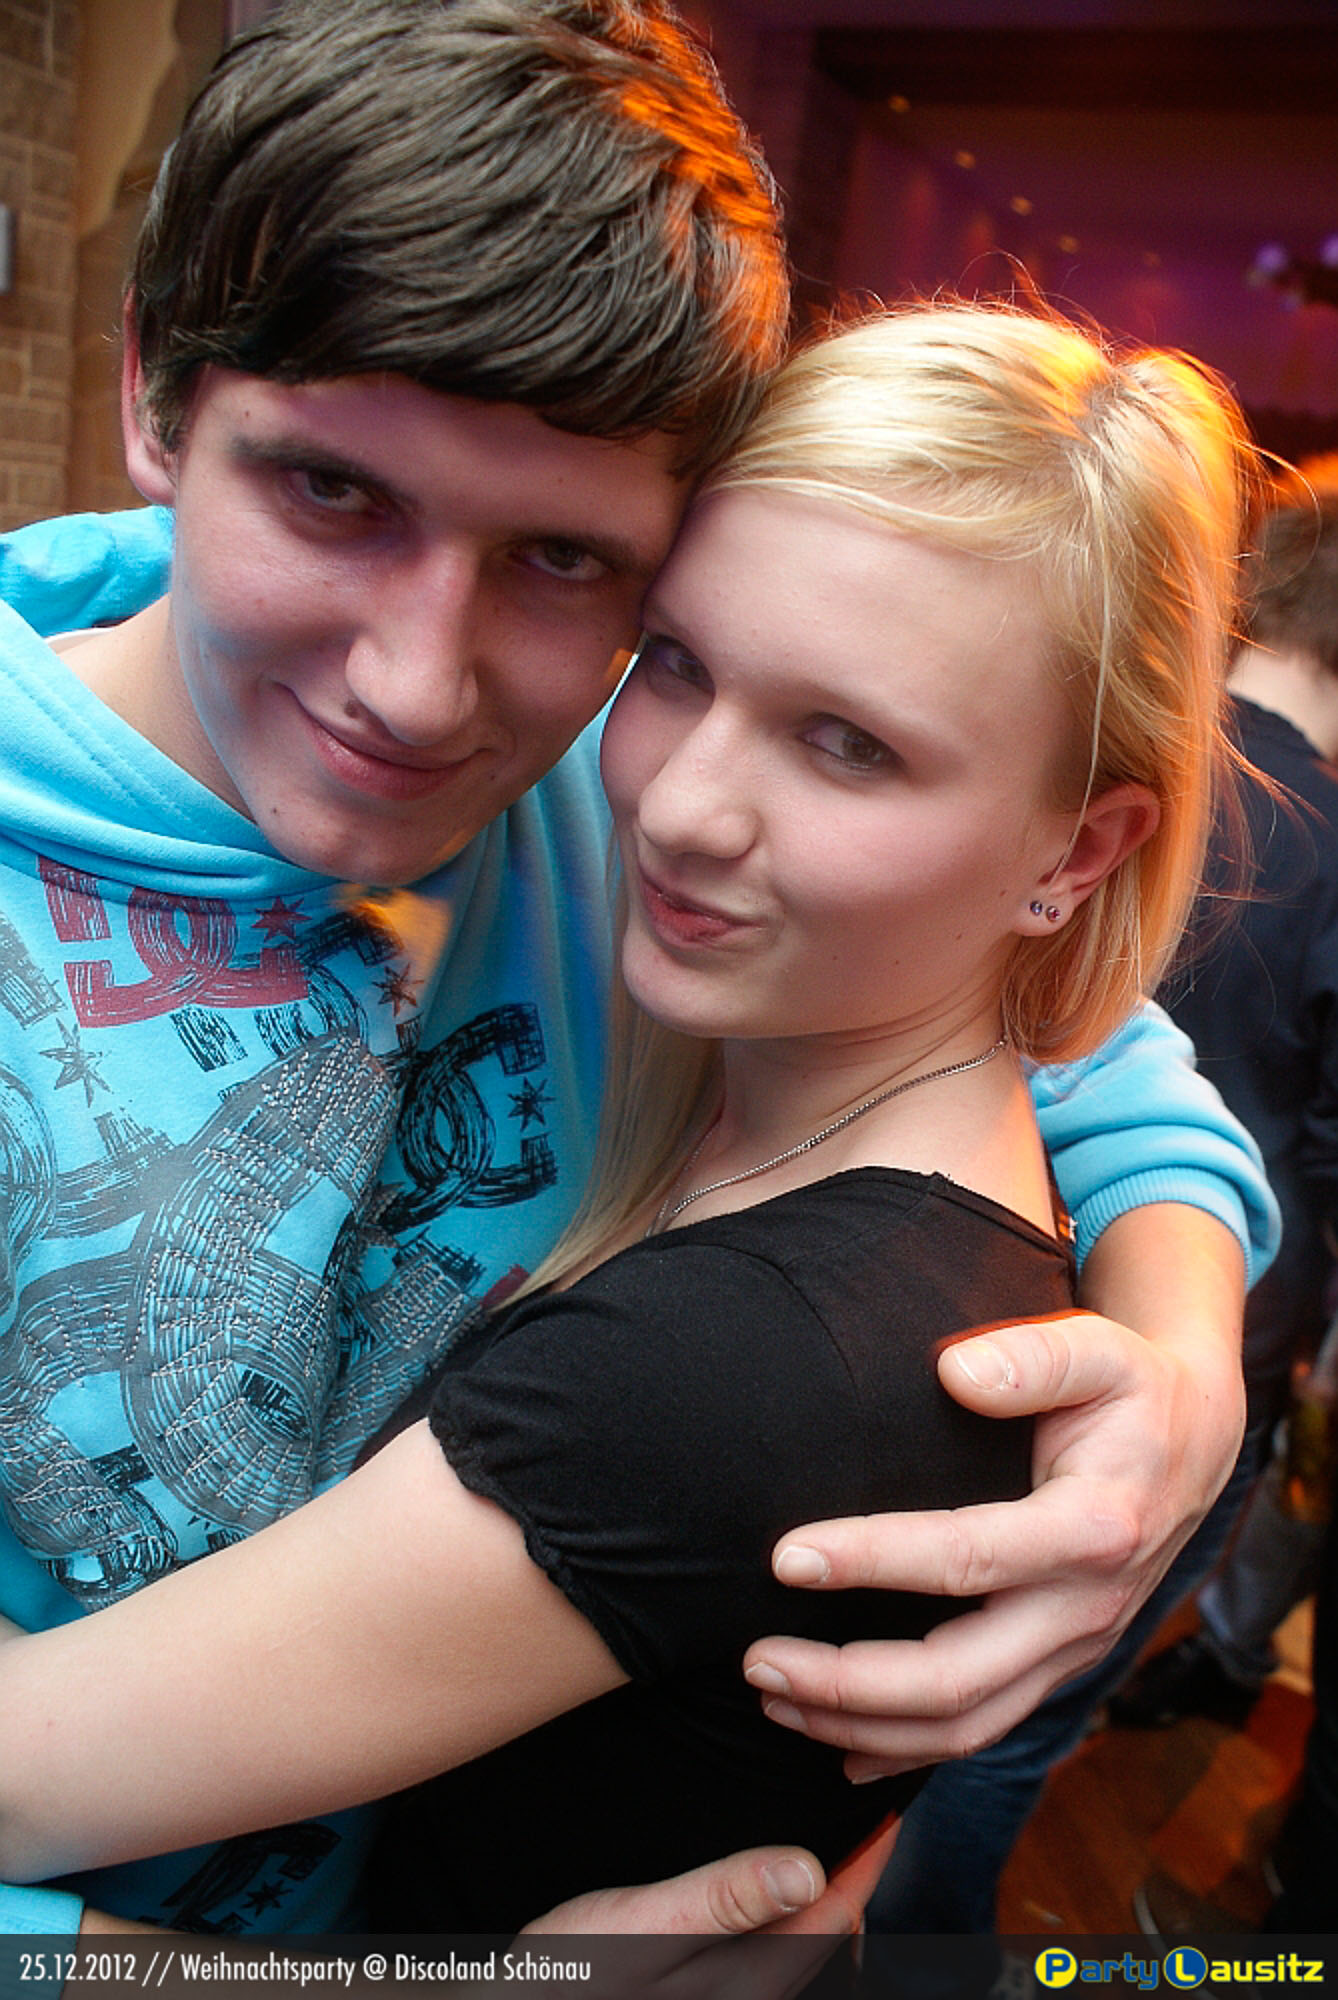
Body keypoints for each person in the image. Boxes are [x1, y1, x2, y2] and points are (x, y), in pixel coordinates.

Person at [0, 0, 1274, 1942]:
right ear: (153, 397)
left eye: (567, 562)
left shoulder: (626, 777)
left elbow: (1071, 1049)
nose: (418, 688)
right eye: (334, 493)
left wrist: (1177, 1388)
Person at [869, 465, 1338, 1938]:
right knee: (1003, 1722)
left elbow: (1080, 1035)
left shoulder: (1063, 748)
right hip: (1176, 1340)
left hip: (956, 1283)